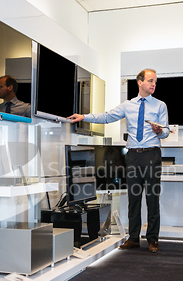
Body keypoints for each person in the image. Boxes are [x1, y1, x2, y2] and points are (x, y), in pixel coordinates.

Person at [69, 68, 169, 253]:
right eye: (149, 80)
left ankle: (153, 239)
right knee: (134, 199)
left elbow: (166, 131)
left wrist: (159, 131)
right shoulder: (128, 105)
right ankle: (133, 238)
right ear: (139, 82)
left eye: (155, 81)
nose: (153, 84)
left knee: (152, 198)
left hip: (151, 154)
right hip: (132, 155)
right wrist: (85, 117)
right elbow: (107, 116)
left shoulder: (160, 105)